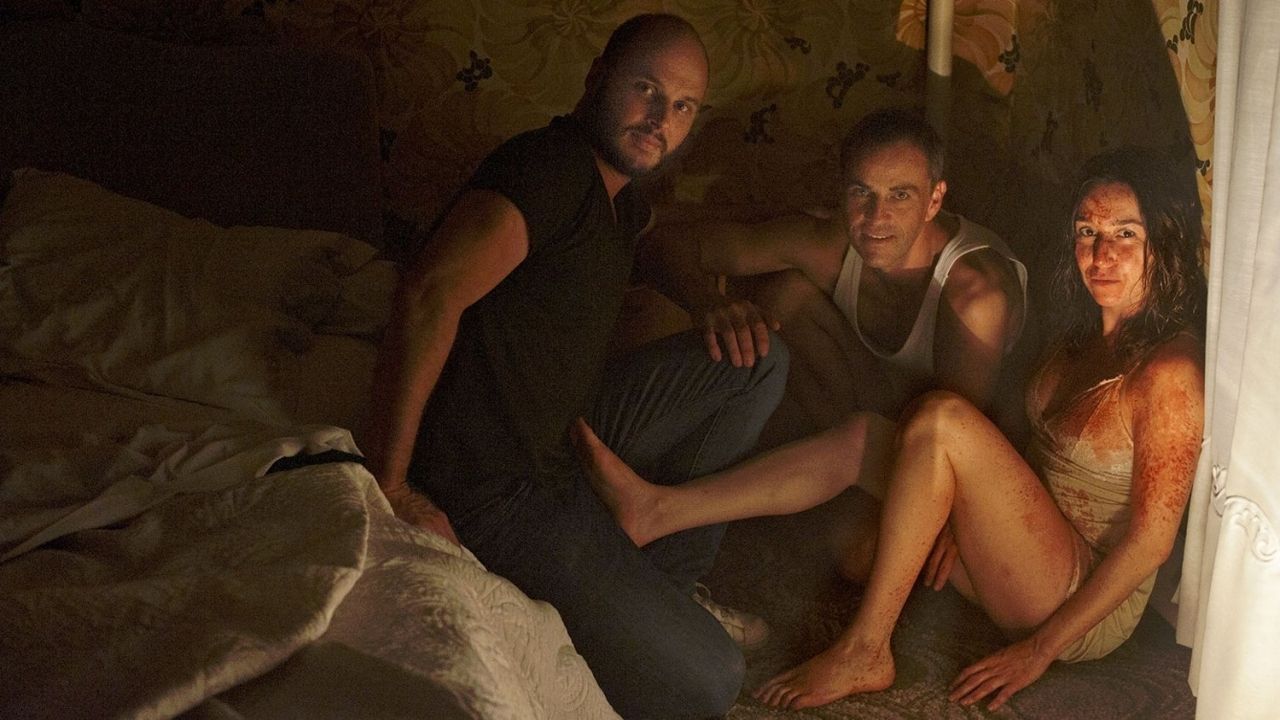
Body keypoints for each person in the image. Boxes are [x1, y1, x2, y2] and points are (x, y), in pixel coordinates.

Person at [576, 145, 1207, 710]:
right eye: (1088, 231)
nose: (1101, 254)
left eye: (1126, 234)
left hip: (1077, 594)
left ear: (1166, 241)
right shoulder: (1083, 333)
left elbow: (1150, 544)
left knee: (942, 418)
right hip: (1032, 545)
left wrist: (1039, 651)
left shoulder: (1171, 371)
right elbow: (1029, 450)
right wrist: (978, 513)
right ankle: (657, 510)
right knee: (863, 467)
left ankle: (866, 650)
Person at [361, 14, 789, 719]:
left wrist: (707, 303)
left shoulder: (617, 197)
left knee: (756, 363)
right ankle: (651, 610)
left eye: (682, 106)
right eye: (646, 89)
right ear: (597, 79)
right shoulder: (550, 168)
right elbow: (429, 292)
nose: (661, 119)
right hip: (496, 488)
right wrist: (393, 484)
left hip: (563, 439)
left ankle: (663, 587)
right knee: (712, 677)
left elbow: (655, 248)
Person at [637, 106, 1029, 577]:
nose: (876, 217)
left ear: (934, 201)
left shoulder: (975, 296)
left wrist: (956, 521)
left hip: (959, 446)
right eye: (861, 193)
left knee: (858, 552)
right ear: (842, 191)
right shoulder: (830, 243)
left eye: (900, 195)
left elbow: (956, 455)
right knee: (785, 295)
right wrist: (707, 302)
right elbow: (667, 245)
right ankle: (787, 484)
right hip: (871, 410)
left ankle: (788, 492)